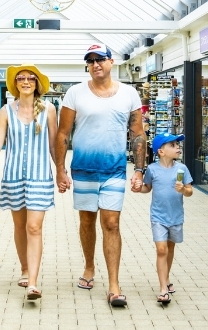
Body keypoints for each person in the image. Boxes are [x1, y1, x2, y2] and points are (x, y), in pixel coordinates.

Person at [54, 44, 144, 308]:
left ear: (111, 62)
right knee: (86, 221)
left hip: (114, 170)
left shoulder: (129, 94)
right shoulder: (74, 93)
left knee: (111, 223)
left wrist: (139, 170)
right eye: (90, 61)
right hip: (83, 169)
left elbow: (137, 133)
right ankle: (90, 266)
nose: (96, 65)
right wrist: (60, 169)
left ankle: (114, 286)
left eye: (100, 59)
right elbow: (62, 134)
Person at [0, 64, 58, 300]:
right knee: (20, 227)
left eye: (31, 78)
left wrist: (61, 171)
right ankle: (24, 268)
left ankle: (33, 283)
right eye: (21, 78)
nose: (26, 81)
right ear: (15, 83)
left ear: (37, 83)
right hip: (13, 177)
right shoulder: (6, 111)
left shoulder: (49, 109)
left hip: (40, 177)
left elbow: (53, 145)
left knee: (34, 227)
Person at [137, 134, 192, 305]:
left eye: (177, 144)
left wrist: (183, 189)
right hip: (158, 216)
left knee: (169, 247)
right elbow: (148, 188)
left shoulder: (182, 169)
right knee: (161, 250)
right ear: (161, 151)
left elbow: (190, 191)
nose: (177, 147)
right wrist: (139, 188)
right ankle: (163, 289)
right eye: (173, 145)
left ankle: (166, 277)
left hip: (175, 216)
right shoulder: (152, 170)